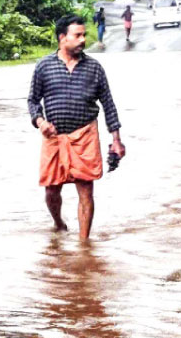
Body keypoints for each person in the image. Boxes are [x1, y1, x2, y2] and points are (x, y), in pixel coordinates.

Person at [27, 15, 126, 240]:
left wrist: (116, 139)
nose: (83, 39)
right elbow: (32, 101)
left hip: (85, 135)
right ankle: (59, 222)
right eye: (77, 35)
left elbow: (108, 104)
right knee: (51, 189)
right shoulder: (44, 66)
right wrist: (40, 122)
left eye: (84, 35)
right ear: (63, 38)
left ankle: (84, 243)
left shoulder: (94, 68)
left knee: (85, 190)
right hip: (54, 137)